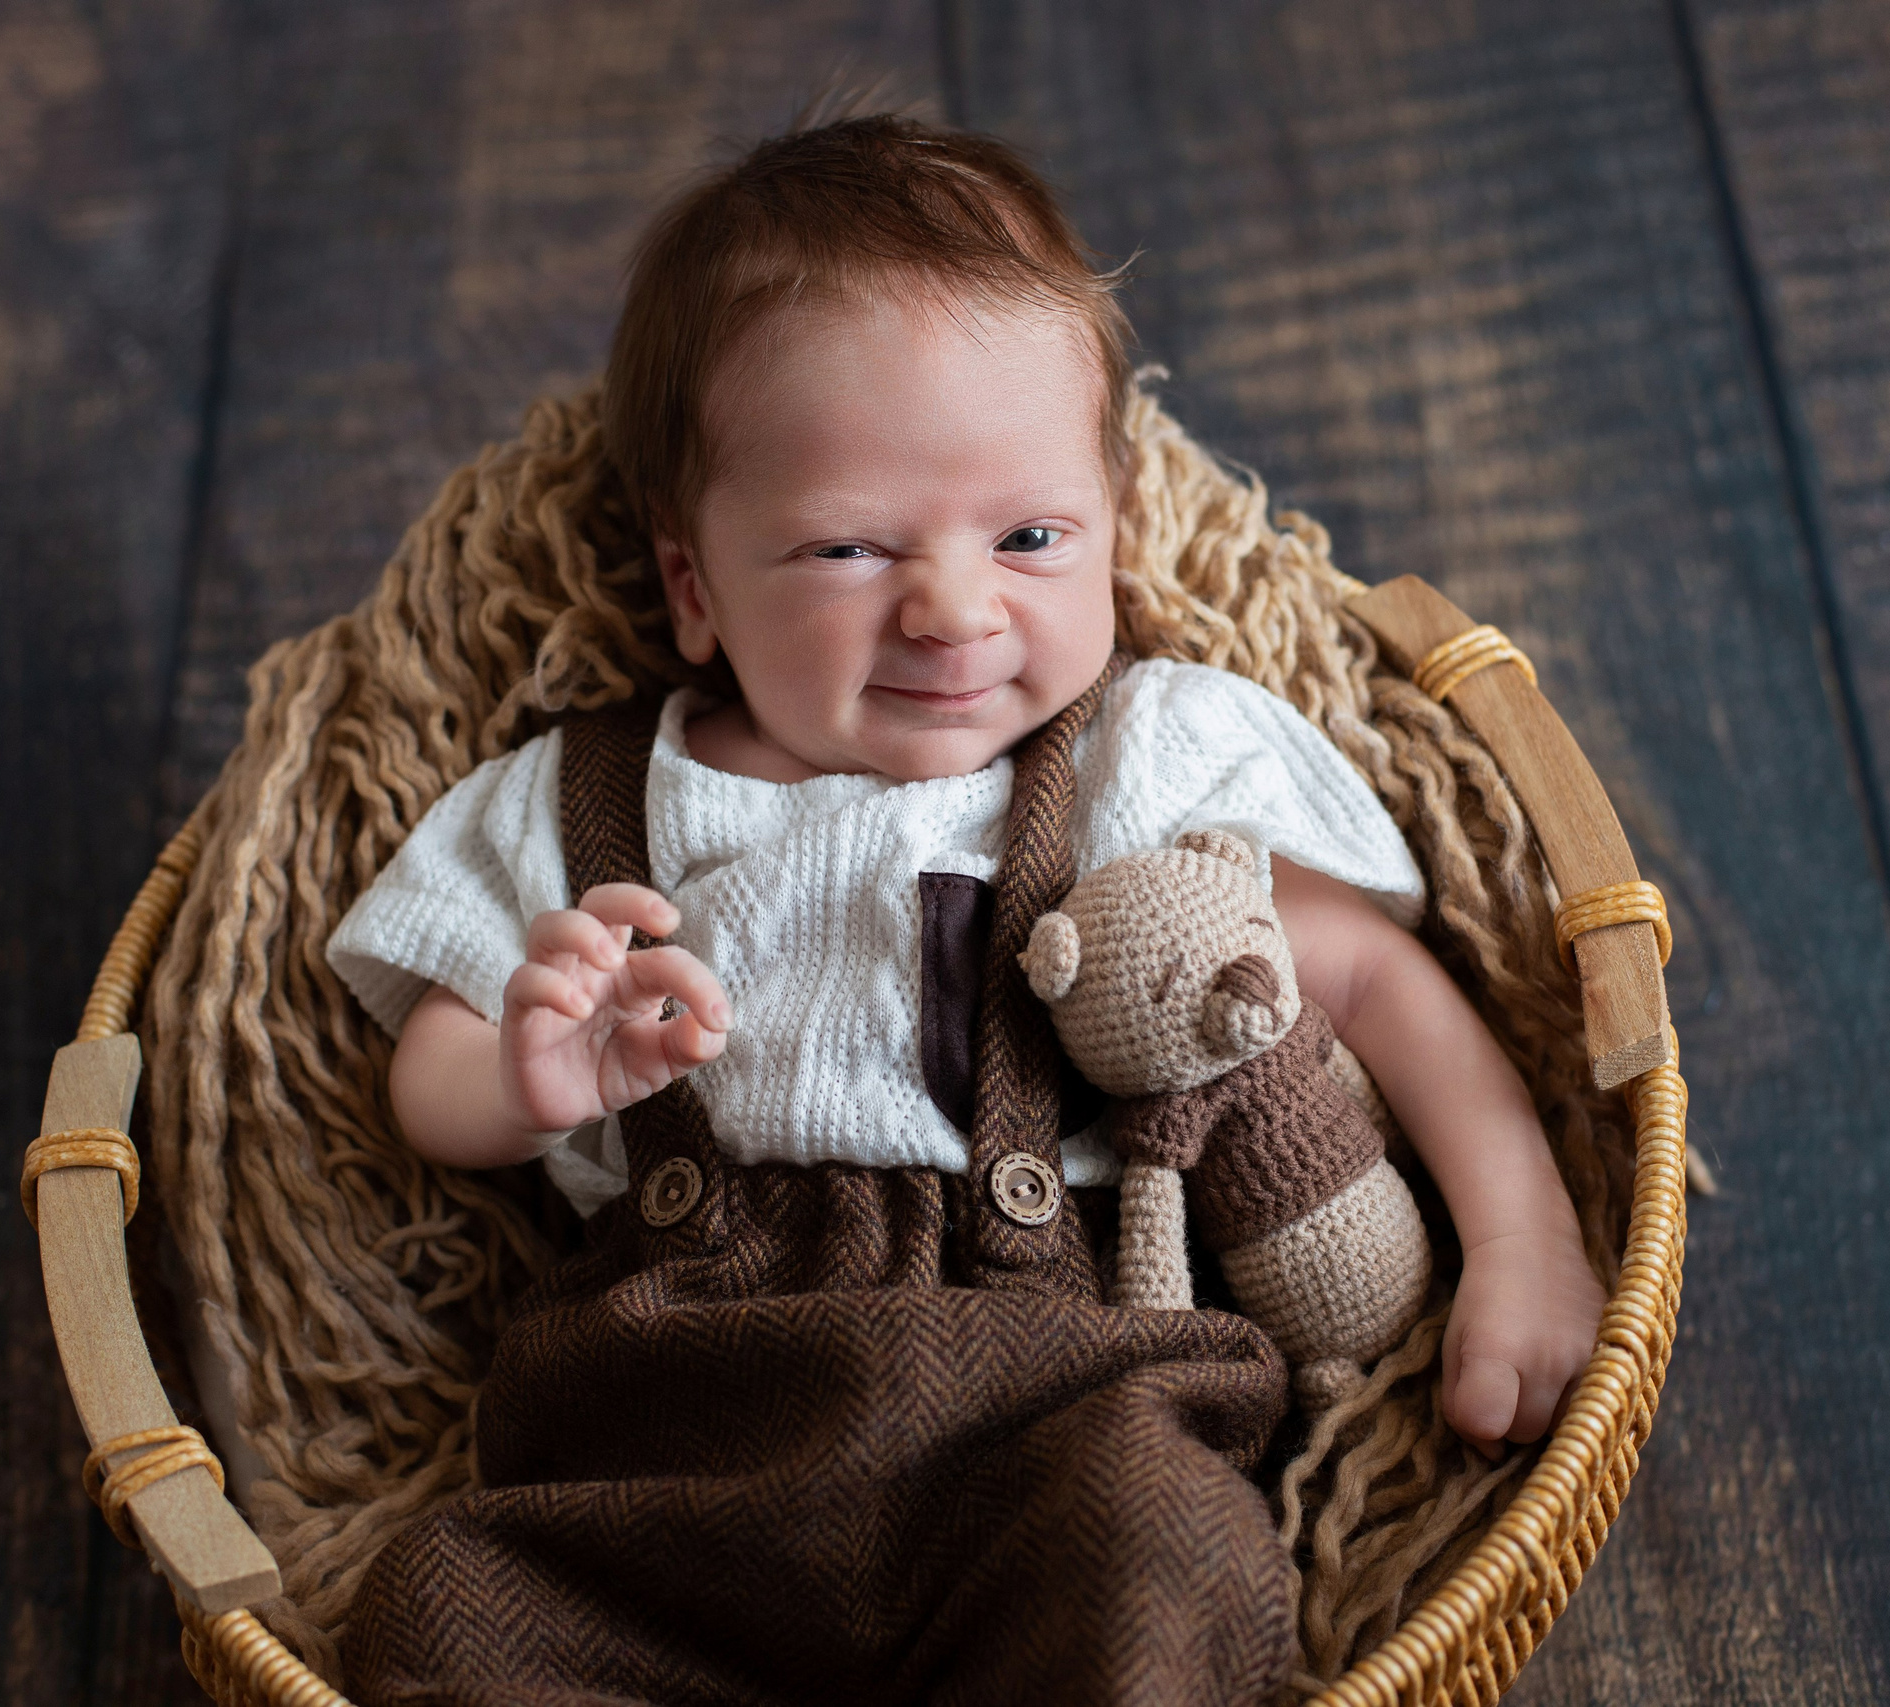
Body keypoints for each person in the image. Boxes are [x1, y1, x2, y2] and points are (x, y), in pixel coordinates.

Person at [325, 110, 1604, 1707]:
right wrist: (530, 1078)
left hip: (1056, 1416)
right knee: (442, 1610)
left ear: (1114, 536)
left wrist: (1524, 1241)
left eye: (1030, 536)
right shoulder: (589, 798)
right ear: (694, 586)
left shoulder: (1143, 757)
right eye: (850, 545)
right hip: (668, 1454)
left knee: (1171, 1558)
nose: (953, 604)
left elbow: (1375, 978)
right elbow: (425, 1068)